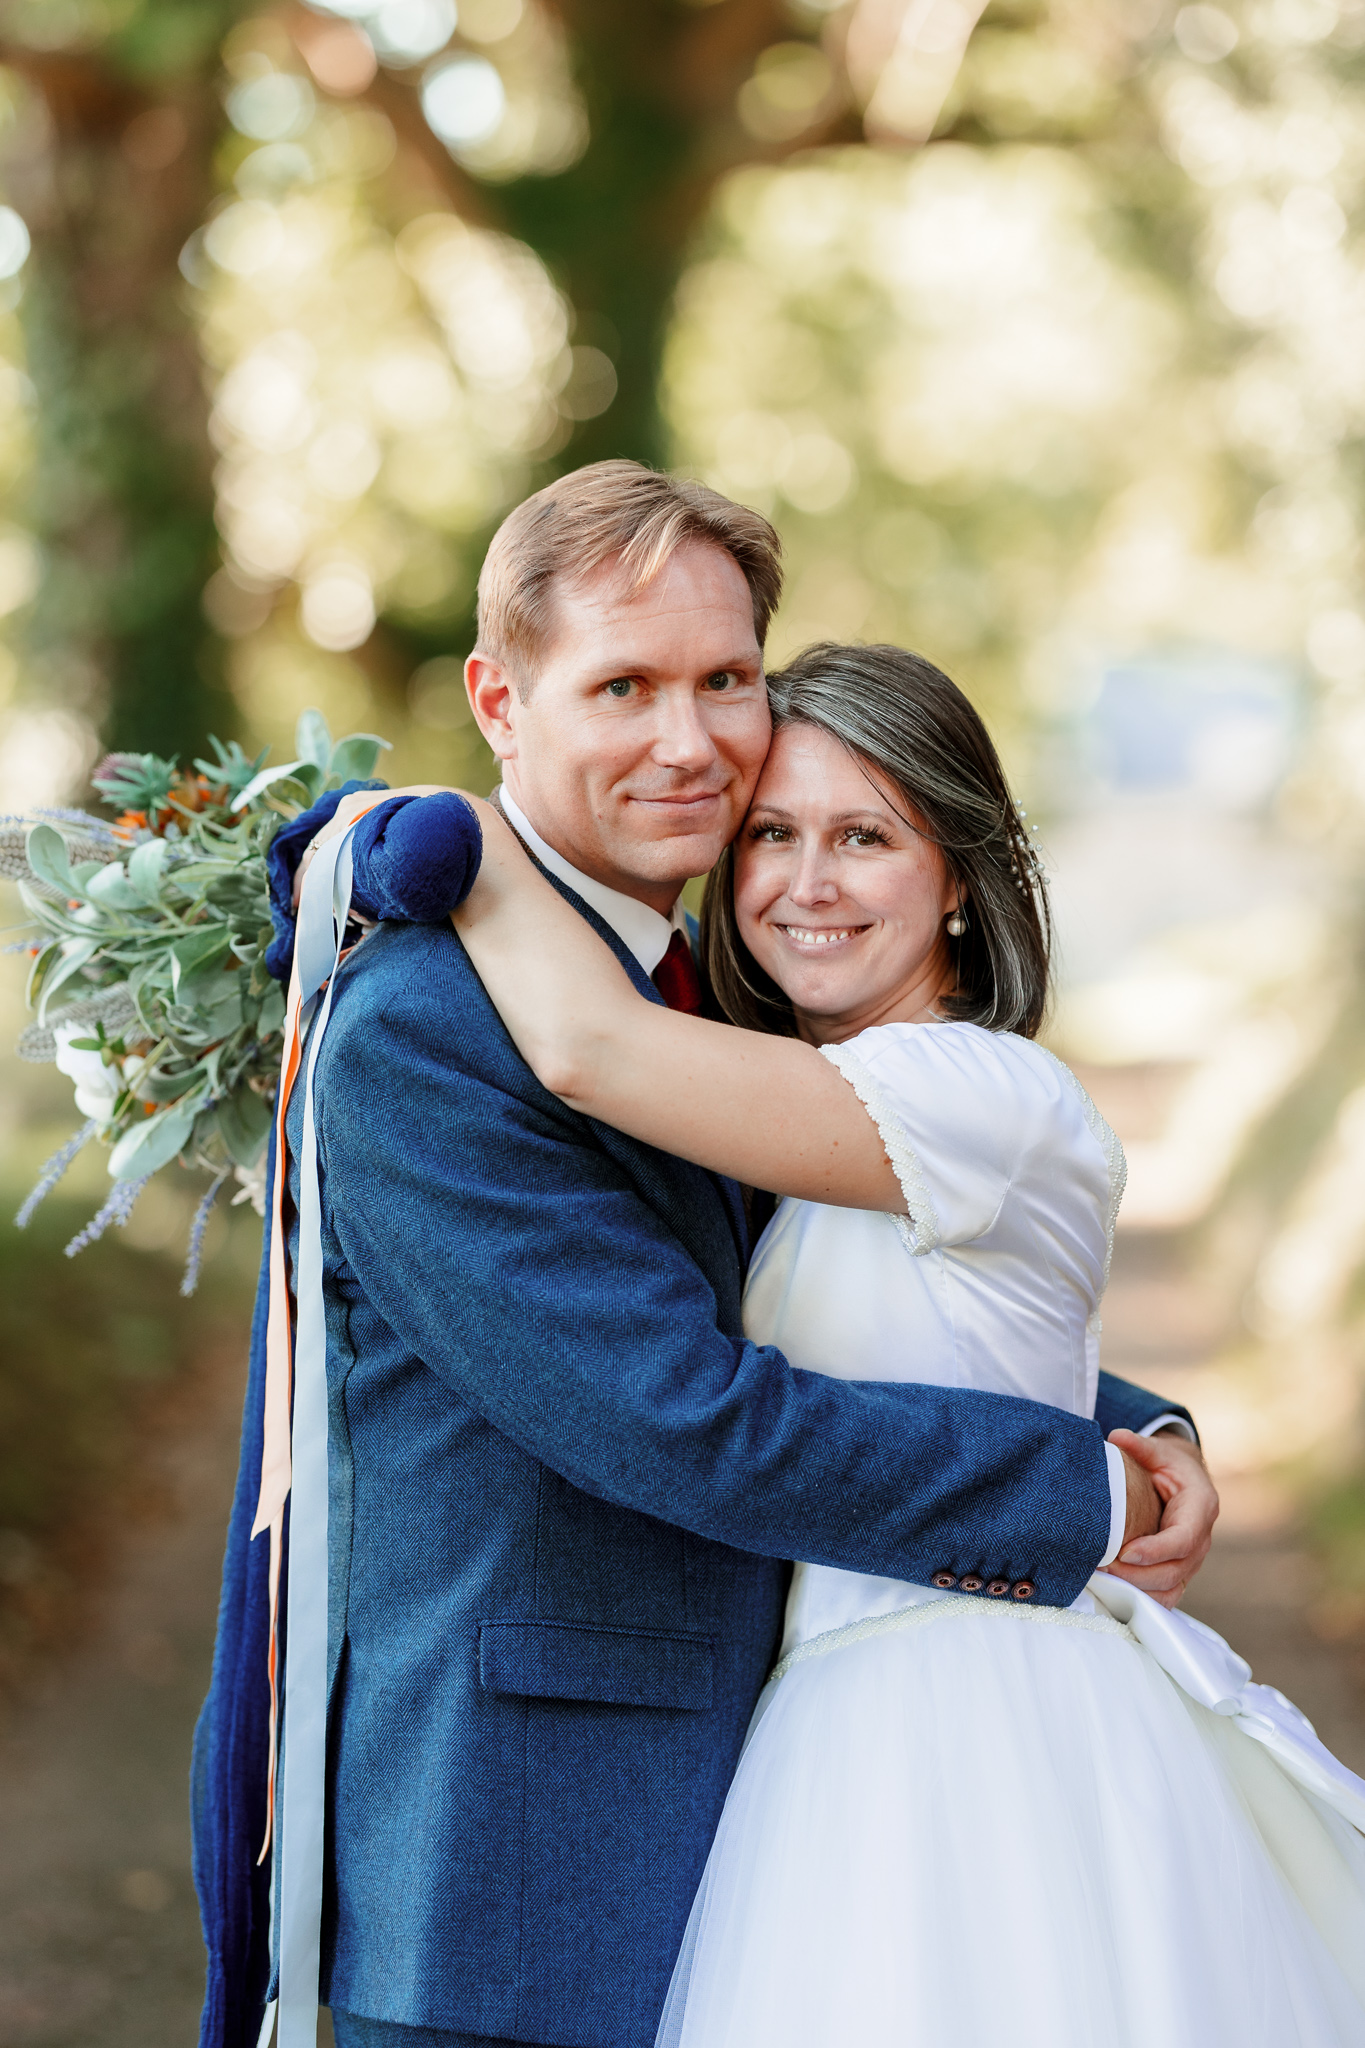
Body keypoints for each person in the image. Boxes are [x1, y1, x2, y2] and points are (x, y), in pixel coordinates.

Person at [193, 461, 1214, 2048]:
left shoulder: (713, 1019)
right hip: (524, 1870)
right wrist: (1069, 1490)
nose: (691, 740)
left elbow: (837, 1300)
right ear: (500, 698)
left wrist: (1120, 1418)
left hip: (759, 1836)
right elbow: (679, 1410)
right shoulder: (420, 1037)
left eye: (724, 678)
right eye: (625, 685)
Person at [373, 638, 1365, 2046]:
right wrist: (1143, 1427)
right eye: (769, 835)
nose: (806, 883)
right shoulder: (794, 1106)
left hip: (974, 1718)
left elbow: (587, 1050)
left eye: (864, 838)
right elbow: (920, 1345)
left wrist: (462, 835)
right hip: (822, 1720)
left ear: (956, 876)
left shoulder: (975, 1089)